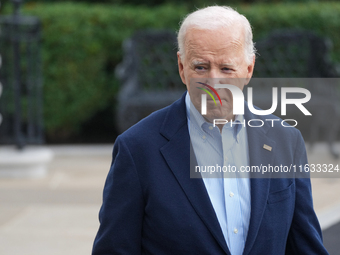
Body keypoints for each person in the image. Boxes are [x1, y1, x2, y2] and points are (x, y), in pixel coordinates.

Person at [92, 6, 329, 255]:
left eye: (226, 68)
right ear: (182, 67)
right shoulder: (137, 148)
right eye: (201, 67)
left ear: (249, 69)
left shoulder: (286, 140)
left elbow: (305, 247)